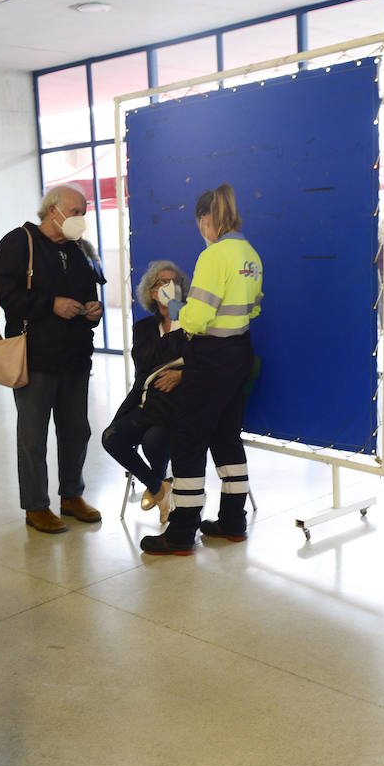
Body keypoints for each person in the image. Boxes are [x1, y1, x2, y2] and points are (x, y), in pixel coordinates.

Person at [141, 184, 262, 555]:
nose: (201, 232)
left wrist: (176, 308)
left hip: (210, 358)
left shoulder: (213, 256)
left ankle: (180, 532)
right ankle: (232, 520)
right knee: (227, 440)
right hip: (240, 353)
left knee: (189, 441)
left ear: (206, 220)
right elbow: (254, 307)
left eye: (199, 225)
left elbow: (196, 319)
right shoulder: (250, 254)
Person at [0, 183, 103, 533]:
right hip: (35, 356)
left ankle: (71, 496)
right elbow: (6, 293)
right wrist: (50, 304)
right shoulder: (18, 243)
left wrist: (94, 309)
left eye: (84, 213)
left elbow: (89, 290)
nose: (81, 219)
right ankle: (36, 505)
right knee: (33, 434)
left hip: (74, 357)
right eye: (75, 212)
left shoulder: (78, 249)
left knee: (76, 431)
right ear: (53, 210)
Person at [102, 260, 190, 521]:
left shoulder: (192, 321)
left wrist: (181, 375)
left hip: (178, 405)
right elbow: (146, 364)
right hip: (148, 401)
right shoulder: (142, 328)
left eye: (174, 282)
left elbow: (202, 360)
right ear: (152, 292)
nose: (169, 287)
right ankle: (159, 487)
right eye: (162, 283)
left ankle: (159, 487)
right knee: (111, 438)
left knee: (153, 441)